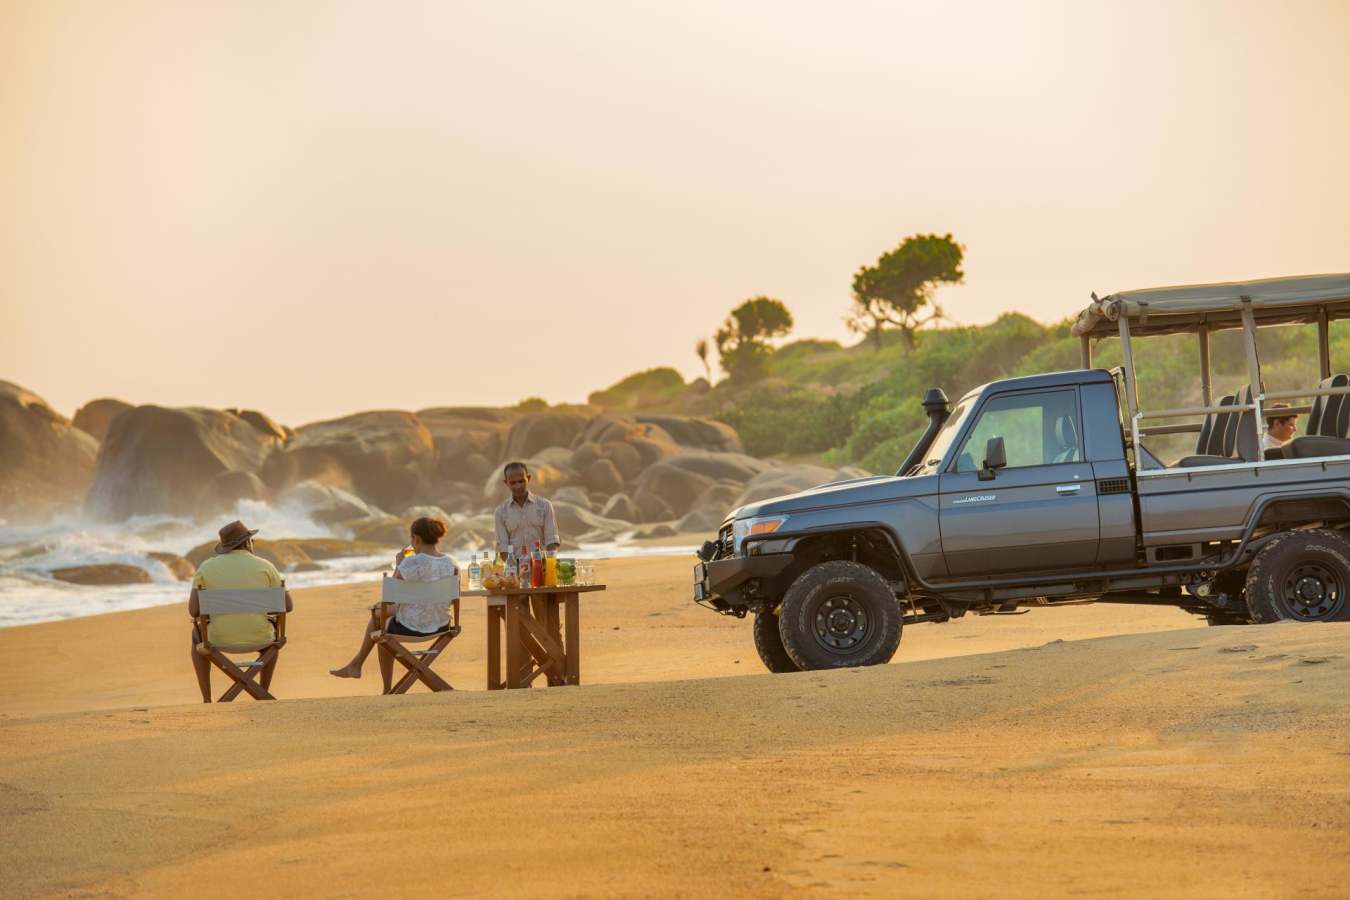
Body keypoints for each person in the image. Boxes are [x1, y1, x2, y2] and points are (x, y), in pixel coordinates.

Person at [330, 516, 457, 690]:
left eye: (411, 539)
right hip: (442, 624)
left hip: (412, 626)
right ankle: (358, 665)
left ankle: (373, 677)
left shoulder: (411, 562)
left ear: (417, 539)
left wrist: (399, 564)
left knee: (380, 621)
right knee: (381, 618)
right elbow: (447, 599)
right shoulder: (452, 563)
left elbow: (391, 596)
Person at [189, 520, 294, 703]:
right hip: (261, 639)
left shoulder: (206, 567)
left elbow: (194, 610)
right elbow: (287, 605)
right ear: (247, 542)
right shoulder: (266, 566)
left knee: (196, 634)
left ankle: (207, 699)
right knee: (273, 632)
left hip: (216, 640)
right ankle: (262, 692)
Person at [493, 461, 560, 553]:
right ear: (506, 483)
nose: (518, 486)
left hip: (541, 564)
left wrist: (548, 563)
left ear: (528, 478)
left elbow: (551, 540)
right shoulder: (500, 512)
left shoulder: (545, 506)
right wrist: (513, 566)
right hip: (515, 566)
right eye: (513, 483)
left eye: (521, 481)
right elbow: (503, 548)